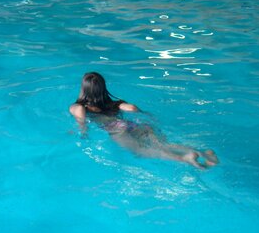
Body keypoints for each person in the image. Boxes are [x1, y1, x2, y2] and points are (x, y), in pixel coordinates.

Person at [69, 71, 218, 169]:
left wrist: (82, 133)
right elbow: (132, 108)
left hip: (117, 129)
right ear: (103, 88)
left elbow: (81, 119)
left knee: (141, 151)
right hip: (133, 124)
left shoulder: (79, 106)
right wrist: (144, 114)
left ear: (84, 89)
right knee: (163, 144)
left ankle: (186, 158)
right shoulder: (113, 103)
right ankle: (203, 153)